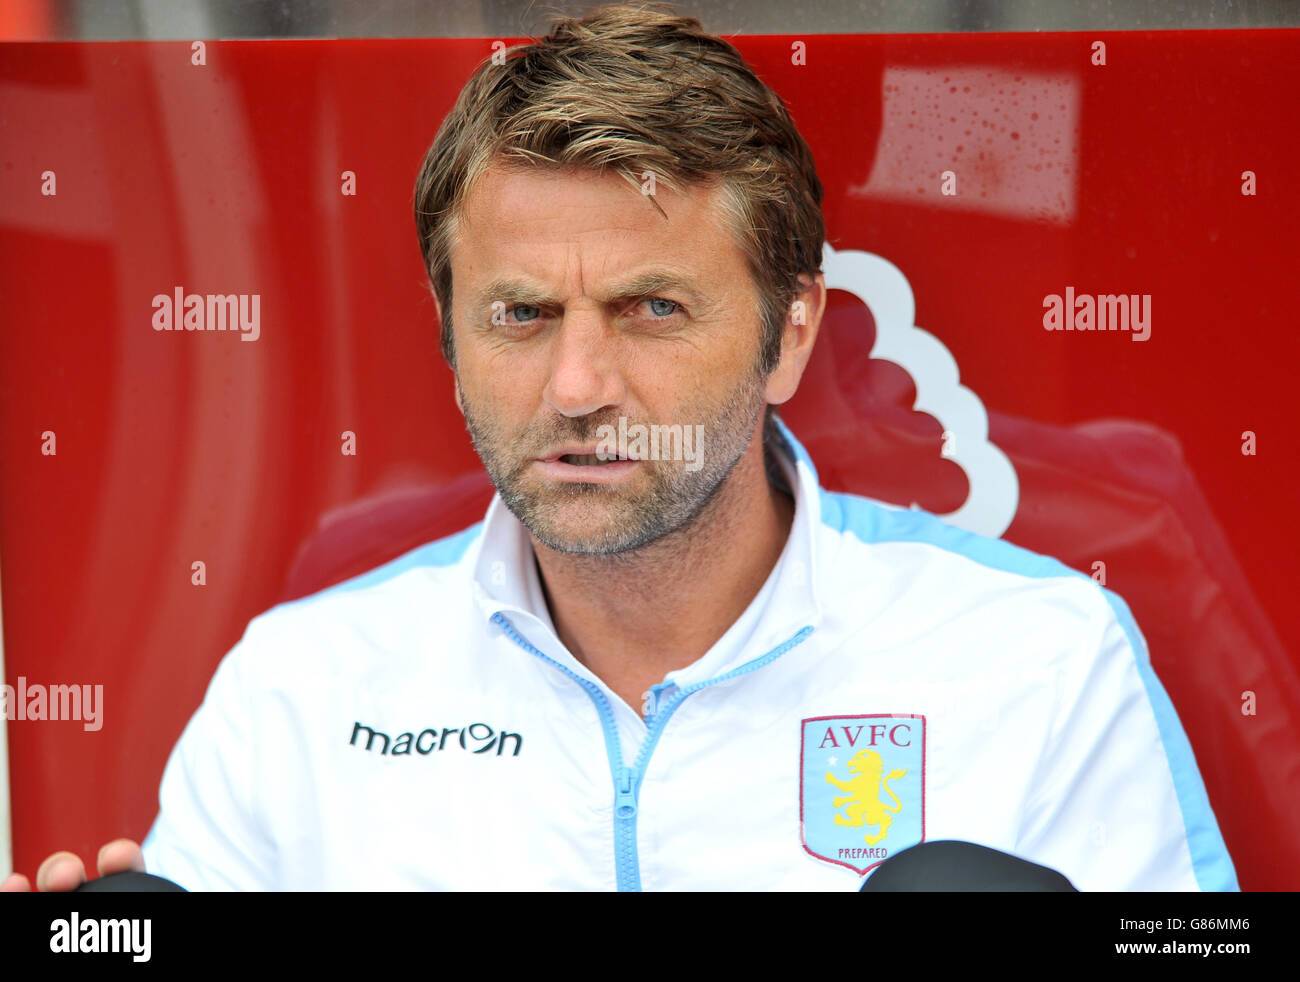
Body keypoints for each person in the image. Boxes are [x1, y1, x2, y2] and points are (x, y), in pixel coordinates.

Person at [3, 2, 1236, 892]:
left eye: (653, 308)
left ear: (791, 332)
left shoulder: (1038, 657)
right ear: (448, 334)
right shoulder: (303, 686)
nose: (580, 387)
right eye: (521, 315)